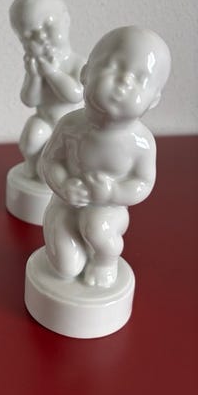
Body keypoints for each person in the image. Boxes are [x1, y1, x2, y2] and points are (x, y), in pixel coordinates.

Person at [41, 26, 171, 287]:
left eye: (140, 79)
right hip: (66, 203)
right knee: (65, 268)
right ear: (85, 73)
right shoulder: (69, 125)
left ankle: (105, 260)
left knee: (96, 226)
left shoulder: (141, 142)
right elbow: (50, 161)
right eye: (114, 66)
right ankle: (71, 255)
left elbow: (143, 183)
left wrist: (112, 192)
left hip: (109, 211)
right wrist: (64, 186)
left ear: (154, 99)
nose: (124, 82)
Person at [9, 0, 84, 180]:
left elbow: (76, 94)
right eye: (29, 36)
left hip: (71, 128)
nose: (41, 37)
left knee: (62, 158)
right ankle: (32, 164)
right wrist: (34, 76)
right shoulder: (37, 66)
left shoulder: (77, 63)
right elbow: (29, 100)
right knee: (30, 140)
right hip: (44, 120)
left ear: (66, 20)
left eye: (48, 26)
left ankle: (54, 172)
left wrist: (52, 73)